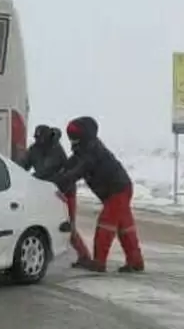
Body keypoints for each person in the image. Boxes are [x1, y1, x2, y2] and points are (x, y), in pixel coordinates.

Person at [50, 116, 145, 273]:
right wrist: (56, 175)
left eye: (74, 136)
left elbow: (77, 171)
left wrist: (60, 182)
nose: (72, 140)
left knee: (105, 224)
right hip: (116, 190)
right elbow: (70, 166)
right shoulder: (84, 150)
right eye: (70, 136)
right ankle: (135, 261)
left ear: (84, 135)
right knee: (125, 228)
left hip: (117, 190)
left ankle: (99, 262)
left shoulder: (92, 152)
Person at [21, 125, 91, 264]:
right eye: (36, 138)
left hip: (64, 192)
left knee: (67, 226)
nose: (38, 141)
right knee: (41, 223)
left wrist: (32, 179)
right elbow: (23, 165)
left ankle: (85, 257)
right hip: (45, 191)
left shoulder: (56, 150)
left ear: (48, 138)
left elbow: (46, 170)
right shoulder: (34, 149)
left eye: (40, 138)